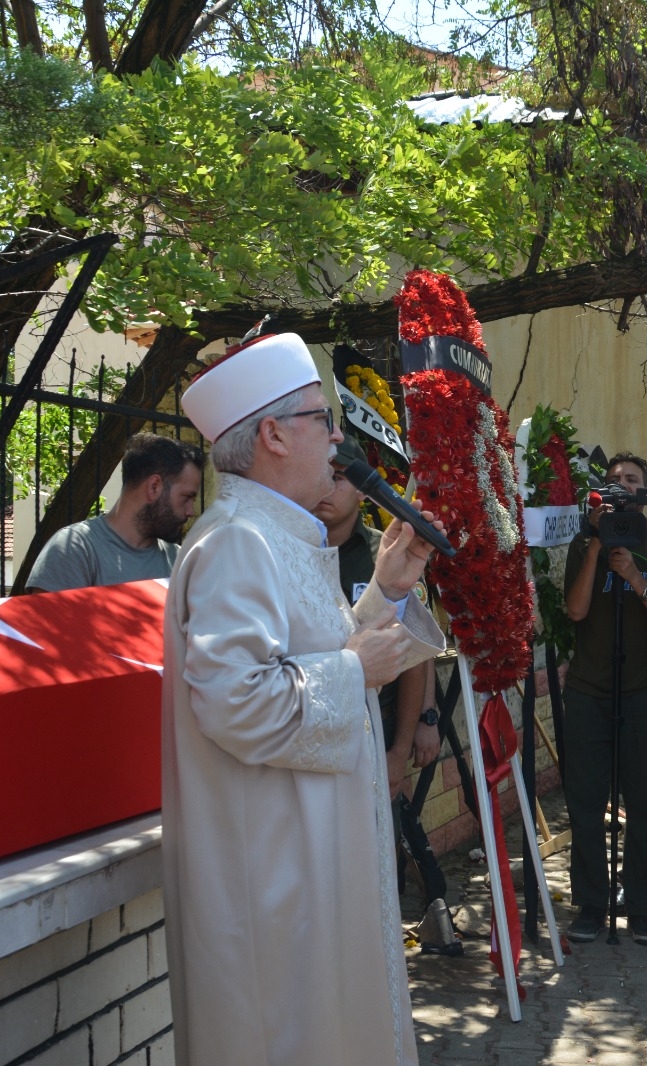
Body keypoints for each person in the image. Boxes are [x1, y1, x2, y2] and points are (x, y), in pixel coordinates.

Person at [161, 333, 446, 1066]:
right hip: (274, 877)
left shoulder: (279, 535)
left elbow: (321, 656)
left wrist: (387, 590)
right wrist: (353, 670)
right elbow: (237, 702)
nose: (339, 439)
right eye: (325, 419)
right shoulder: (235, 542)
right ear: (274, 435)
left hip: (313, 857)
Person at [562, 451, 647, 945]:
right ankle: (592, 904)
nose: (622, 486)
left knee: (646, 806)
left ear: (646, 492)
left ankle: (642, 907)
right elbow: (575, 612)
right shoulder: (583, 544)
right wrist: (596, 545)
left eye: (632, 479)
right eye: (614, 480)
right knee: (586, 804)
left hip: (646, 692)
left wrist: (635, 577)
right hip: (589, 691)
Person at [316, 439, 445, 903]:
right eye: (323, 474)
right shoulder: (292, 550)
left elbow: (410, 658)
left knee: (376, 864)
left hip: (378, 724)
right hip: (316, 728)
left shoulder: (386, 554)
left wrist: (399, 748)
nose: (325, 488)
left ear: (361, 488)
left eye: (338, 478)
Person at [25, 431, 204, 592]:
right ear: (154, 487)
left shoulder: (180, 561)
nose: (191, 511)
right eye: (187, 497)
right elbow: (47, 619)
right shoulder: (74, 550)